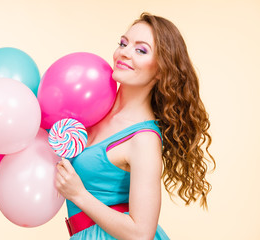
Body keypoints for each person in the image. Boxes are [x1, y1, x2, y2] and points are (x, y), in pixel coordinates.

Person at [55, 12, 215, 239]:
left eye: (141, 50)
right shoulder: (93, 112)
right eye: (123, 43)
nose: (124, 53)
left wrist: (79, 195)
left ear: (161, 70)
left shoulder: (144, 139)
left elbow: (142, 234)